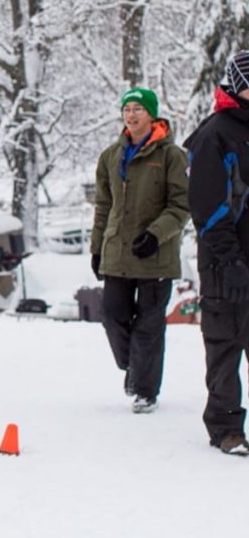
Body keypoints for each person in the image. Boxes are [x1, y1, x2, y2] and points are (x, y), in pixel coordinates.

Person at [90, 87, 189, 415]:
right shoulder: (110, 156)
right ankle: (134, 367)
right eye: (127, 109)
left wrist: (156, 234)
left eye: (138, 109)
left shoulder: (171, 156)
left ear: (152, 114)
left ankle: (145, 390)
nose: (131, 116)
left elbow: (181, 204)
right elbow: (103, 206)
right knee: (112, 316)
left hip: (155, 254)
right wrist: (96, 248)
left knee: (149, 325)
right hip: (118, 253)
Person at [184, 50, 249, 455]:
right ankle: (225, 426)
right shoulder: (216, 133)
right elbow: (207, 206)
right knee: (226, 343)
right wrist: (230, 259)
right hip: (226, 258)